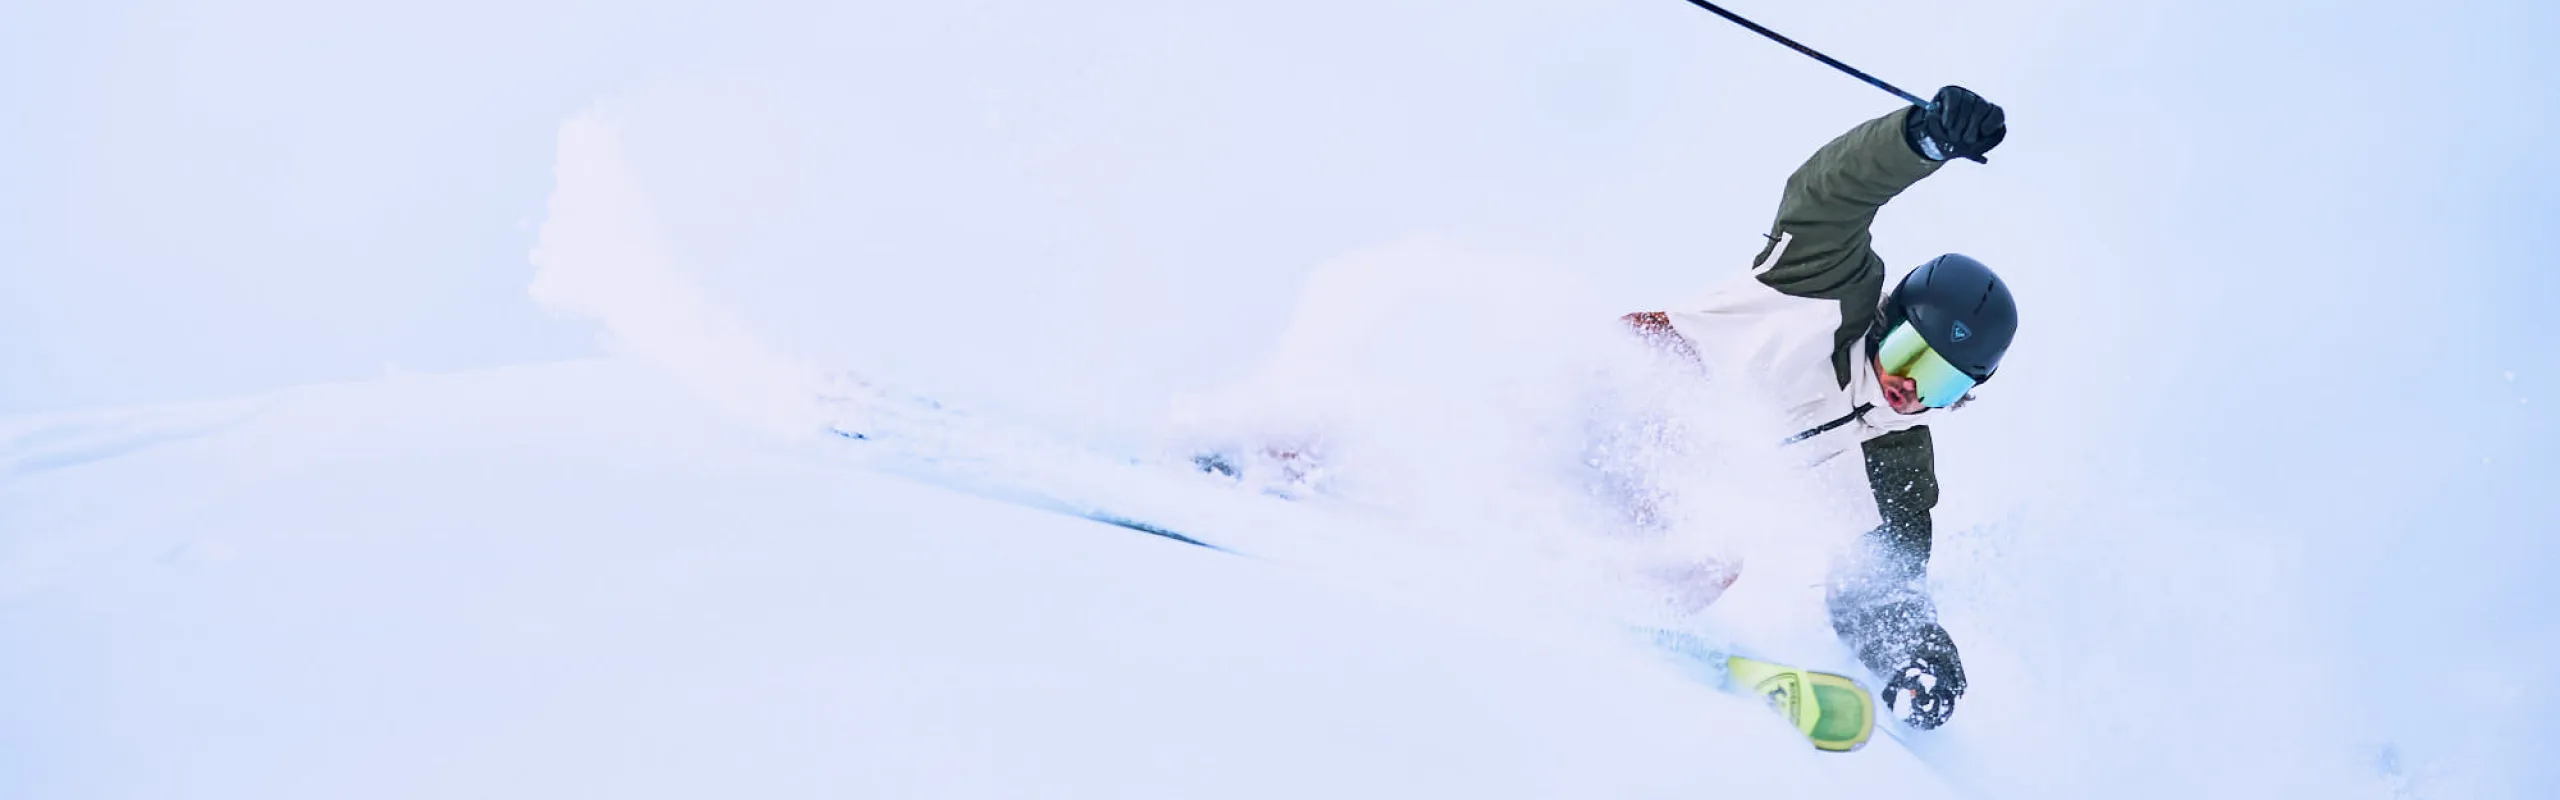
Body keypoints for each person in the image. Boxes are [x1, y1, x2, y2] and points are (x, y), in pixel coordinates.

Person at [1619, 86, 2014, 730]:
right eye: (1913, 355)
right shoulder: (1825, 287)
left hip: (1665, 492)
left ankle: (1586, 594)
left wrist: (1917, 657)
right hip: (1639, 384)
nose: (1911, 388)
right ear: (1889, 320)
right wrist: (1920, 140)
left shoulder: (1896, 467)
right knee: (1686, 449)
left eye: (1940, 382)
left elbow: (1884, 588)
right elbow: (1828, 197)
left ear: (1964, 396)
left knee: (1713, 551)